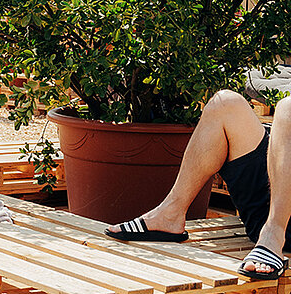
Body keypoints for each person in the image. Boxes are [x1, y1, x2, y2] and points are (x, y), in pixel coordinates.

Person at [105, 89, 291, 278]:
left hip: (282, 230)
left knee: (288, 108)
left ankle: (273, 235)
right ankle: (171, 214)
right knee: (225, 103)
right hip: (265, 207)